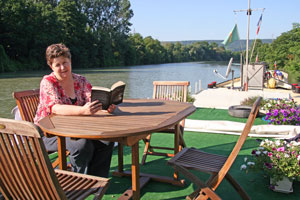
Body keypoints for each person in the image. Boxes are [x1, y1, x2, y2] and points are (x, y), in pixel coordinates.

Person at [34, 43, 116, 177]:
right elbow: (55, 108)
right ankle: (80, 180)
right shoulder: (48, 82)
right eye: (57, 65)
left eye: (65, 62)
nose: (62, 67)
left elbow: (92, 98)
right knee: (82, 145)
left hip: (77, 129)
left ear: (70, 61)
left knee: (106, 139)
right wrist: (83, 111)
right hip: (50, 133)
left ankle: (97, 179)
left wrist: (106, 106)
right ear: (51, 66)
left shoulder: (80, 80)